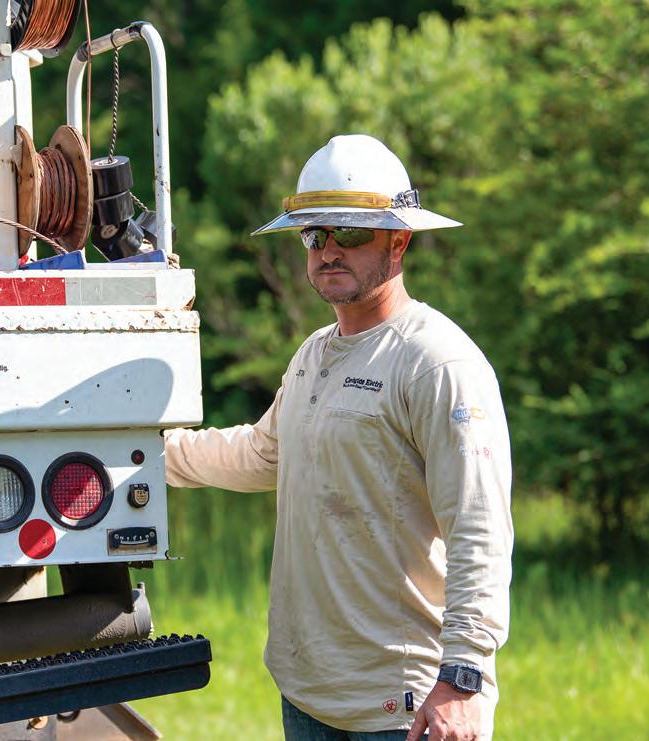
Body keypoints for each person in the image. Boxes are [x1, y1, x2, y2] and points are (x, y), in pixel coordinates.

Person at [164, 134, 513, 741]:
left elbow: (478, 526)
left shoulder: (436, 362)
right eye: (314, 234)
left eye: (349, 233)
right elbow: (263, 453)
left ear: (399, 241)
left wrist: (462, 678)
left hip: (405, 705)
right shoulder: (314, 354)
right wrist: (143, 457)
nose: (328, 250)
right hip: (308, 694)